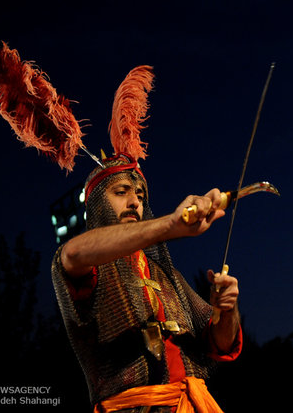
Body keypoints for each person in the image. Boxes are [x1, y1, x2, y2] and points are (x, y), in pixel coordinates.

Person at [52, 153, 242, 413]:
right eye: (121, 192)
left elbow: (220, 344)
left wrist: (227, 309)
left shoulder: (167, 274)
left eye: (140, 196)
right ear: (96, 206)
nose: (134, 202)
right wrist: (170, 224)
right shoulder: (91, 264)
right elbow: (72, 253)